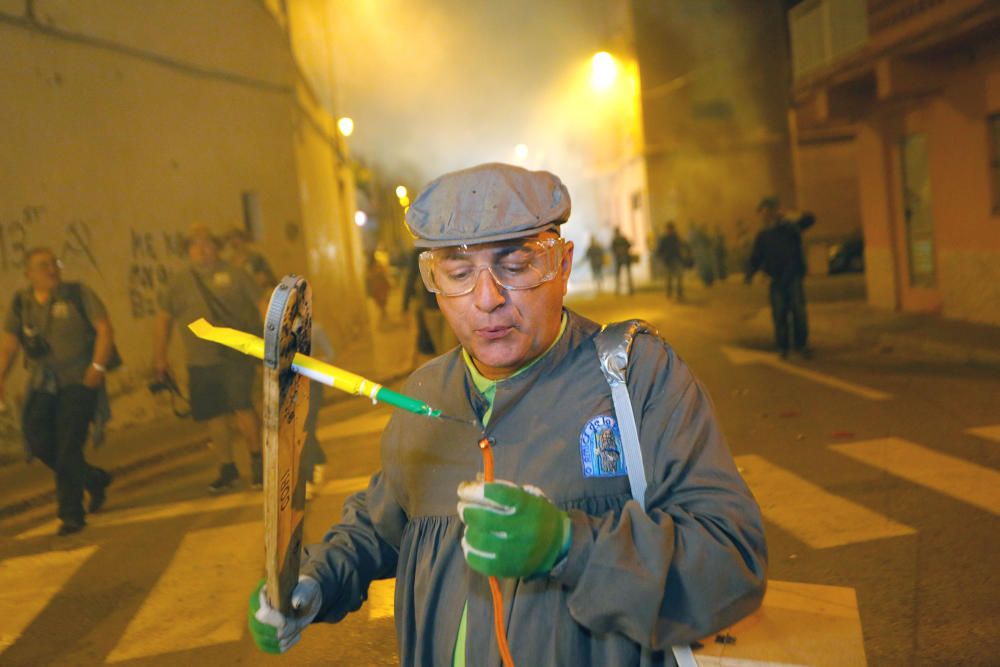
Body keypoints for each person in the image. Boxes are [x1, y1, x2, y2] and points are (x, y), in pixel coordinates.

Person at [248, 163, 767, 664]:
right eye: (457, 273)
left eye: (516, 267)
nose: (488, 298)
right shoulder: (426, 392)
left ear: (562, 265)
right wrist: (315, 580)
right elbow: (381, 524)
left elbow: (731, 562)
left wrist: (570, 546)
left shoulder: (636, 376)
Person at [0, 248, 115, 536]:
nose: (51, 269)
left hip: (79, 380)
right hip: (43, 384)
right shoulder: (21, 303)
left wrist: (98, 367)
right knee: (37, 440)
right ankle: (93, 478)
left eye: (55, 263)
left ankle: (71, 514)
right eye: (43, 265)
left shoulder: (77, 294)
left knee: (67, 445)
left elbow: (104, 329)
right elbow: (9, 345)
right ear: (28, 273)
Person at [153, 224, 265, 493]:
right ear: (188, 250)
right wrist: (160, 355)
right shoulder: (178, 283)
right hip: (199, 359)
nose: (202, 249)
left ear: (216, 247)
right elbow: (164, 318)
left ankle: (258, 462)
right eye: (195, 244)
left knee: (241, 407)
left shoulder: (236, 274)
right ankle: (227, 467)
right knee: (213, 414)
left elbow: (262, 303)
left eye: (207, 243)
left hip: (235, 354)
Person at [745, 197, 816, 359]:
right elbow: (756, 257)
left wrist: (790, 214)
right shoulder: (763, 235)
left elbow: (810, 219)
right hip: (775, 279)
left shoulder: (790, 228)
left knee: (799, 312)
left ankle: (801, 345)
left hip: (793, 277)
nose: (765, 215)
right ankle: (783, 347)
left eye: (767, 211)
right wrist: (749, 274)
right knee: (779, 314)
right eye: (762, 213)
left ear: (774, 211)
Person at [655, 222, 685, 300]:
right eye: (670, 229)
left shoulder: (675, 237)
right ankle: (670, 293)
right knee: (669, 277)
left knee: (678, 276)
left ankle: (679, 293)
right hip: (668, 260)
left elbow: (681, 246)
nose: (670, 230)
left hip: (675, 259)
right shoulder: (665, 238)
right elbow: (659, 250)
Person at [610, 226, 634, 295]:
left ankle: (617, 290)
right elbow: (629, 245)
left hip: (618, 259)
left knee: (618, 275)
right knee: (628, 275)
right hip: (626, 258)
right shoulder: (624, 238)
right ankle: (631, 289)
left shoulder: (614, 240)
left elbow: (612, 249)